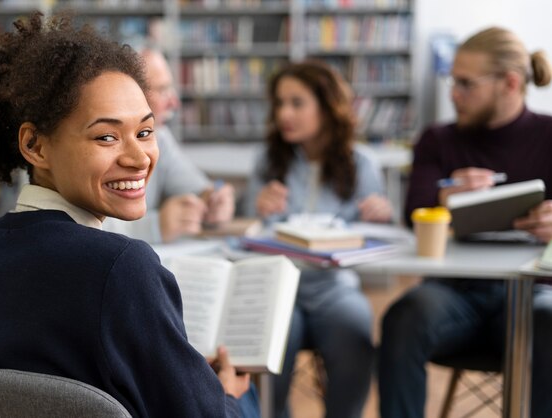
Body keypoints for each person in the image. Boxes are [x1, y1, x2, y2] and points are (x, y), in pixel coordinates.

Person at [0, 12, 256, 418]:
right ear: (35, 146)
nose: (138, 158)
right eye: (106, 136)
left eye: (145, 132)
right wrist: (230, 398)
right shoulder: (122, 266)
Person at [379, 26, 552, 418]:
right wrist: (444, 196)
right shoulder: (438, 140)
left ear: (509, 83)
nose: (453, 93)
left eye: (465, 83)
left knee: (549, 319)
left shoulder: (549, 135)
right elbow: (413, 210)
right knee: (405, 316)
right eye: (452, 81)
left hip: (534, 290)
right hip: (455, 293)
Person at [242, 60, 393, 418]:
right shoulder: (267, 162)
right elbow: (243, 233)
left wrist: (382, 215)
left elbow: (379, 237)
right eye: (279, 103)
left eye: (296, 103)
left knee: (356, 328)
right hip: (278, 285)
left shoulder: (362, 163)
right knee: (271, 341)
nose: (284, 114)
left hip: (335, 287)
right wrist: (257, 211)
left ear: (327, 107)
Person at [103, 47, 235, 243]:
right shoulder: (98, 149)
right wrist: (154, 226)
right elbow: (83, 225)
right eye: (163, 90)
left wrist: (214, 200)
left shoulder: (161, 137)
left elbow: (198, 190)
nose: (174, 102)